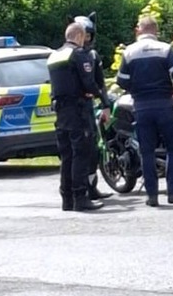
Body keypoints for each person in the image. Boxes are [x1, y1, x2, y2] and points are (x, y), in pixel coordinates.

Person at [116, 16, 173, 207]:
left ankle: (152, 196)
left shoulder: (129, 51)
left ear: (138, 30)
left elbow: (121, 80)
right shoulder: (165, 49)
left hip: (141, 106)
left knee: (146, 151)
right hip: (164, 104)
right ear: (156, 31)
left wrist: (135, 89)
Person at [47, 22, 111, 212]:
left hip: (61, 111)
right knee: (81, 153)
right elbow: (89, 82)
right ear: (79, 36)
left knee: (66, 156)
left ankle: (67, 199)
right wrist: (101, 98)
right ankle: (80, 197)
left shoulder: (54, 55)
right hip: (78, 110)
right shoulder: (78, 54)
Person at [73, 12, 114, 200]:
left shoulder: (93, 56)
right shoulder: (69, 55)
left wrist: (105, 105)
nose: (86, 40)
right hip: (73, 108)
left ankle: (91, 187)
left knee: (93, 149)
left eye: (89, 35)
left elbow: (100, 82)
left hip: (87, 106)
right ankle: (78, 191)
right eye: (83, 35)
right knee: (78, 151)